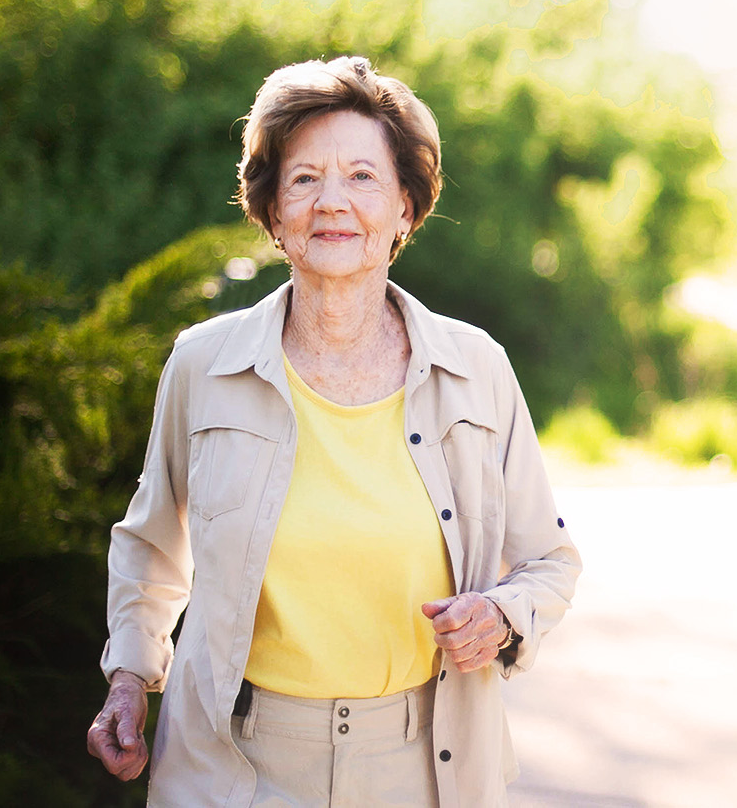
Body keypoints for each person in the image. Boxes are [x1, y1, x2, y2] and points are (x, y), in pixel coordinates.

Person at [86, 56, 581, 807]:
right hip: (235, 766)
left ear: (406, 210)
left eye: (361, 177)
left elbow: (548, 560)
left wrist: (501, 616)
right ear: (273, 213)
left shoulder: (476, 369)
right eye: (305, 178)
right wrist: (128, 678)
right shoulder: (203, 363)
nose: (332, 203)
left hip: (424, 765)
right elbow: (154, 546)